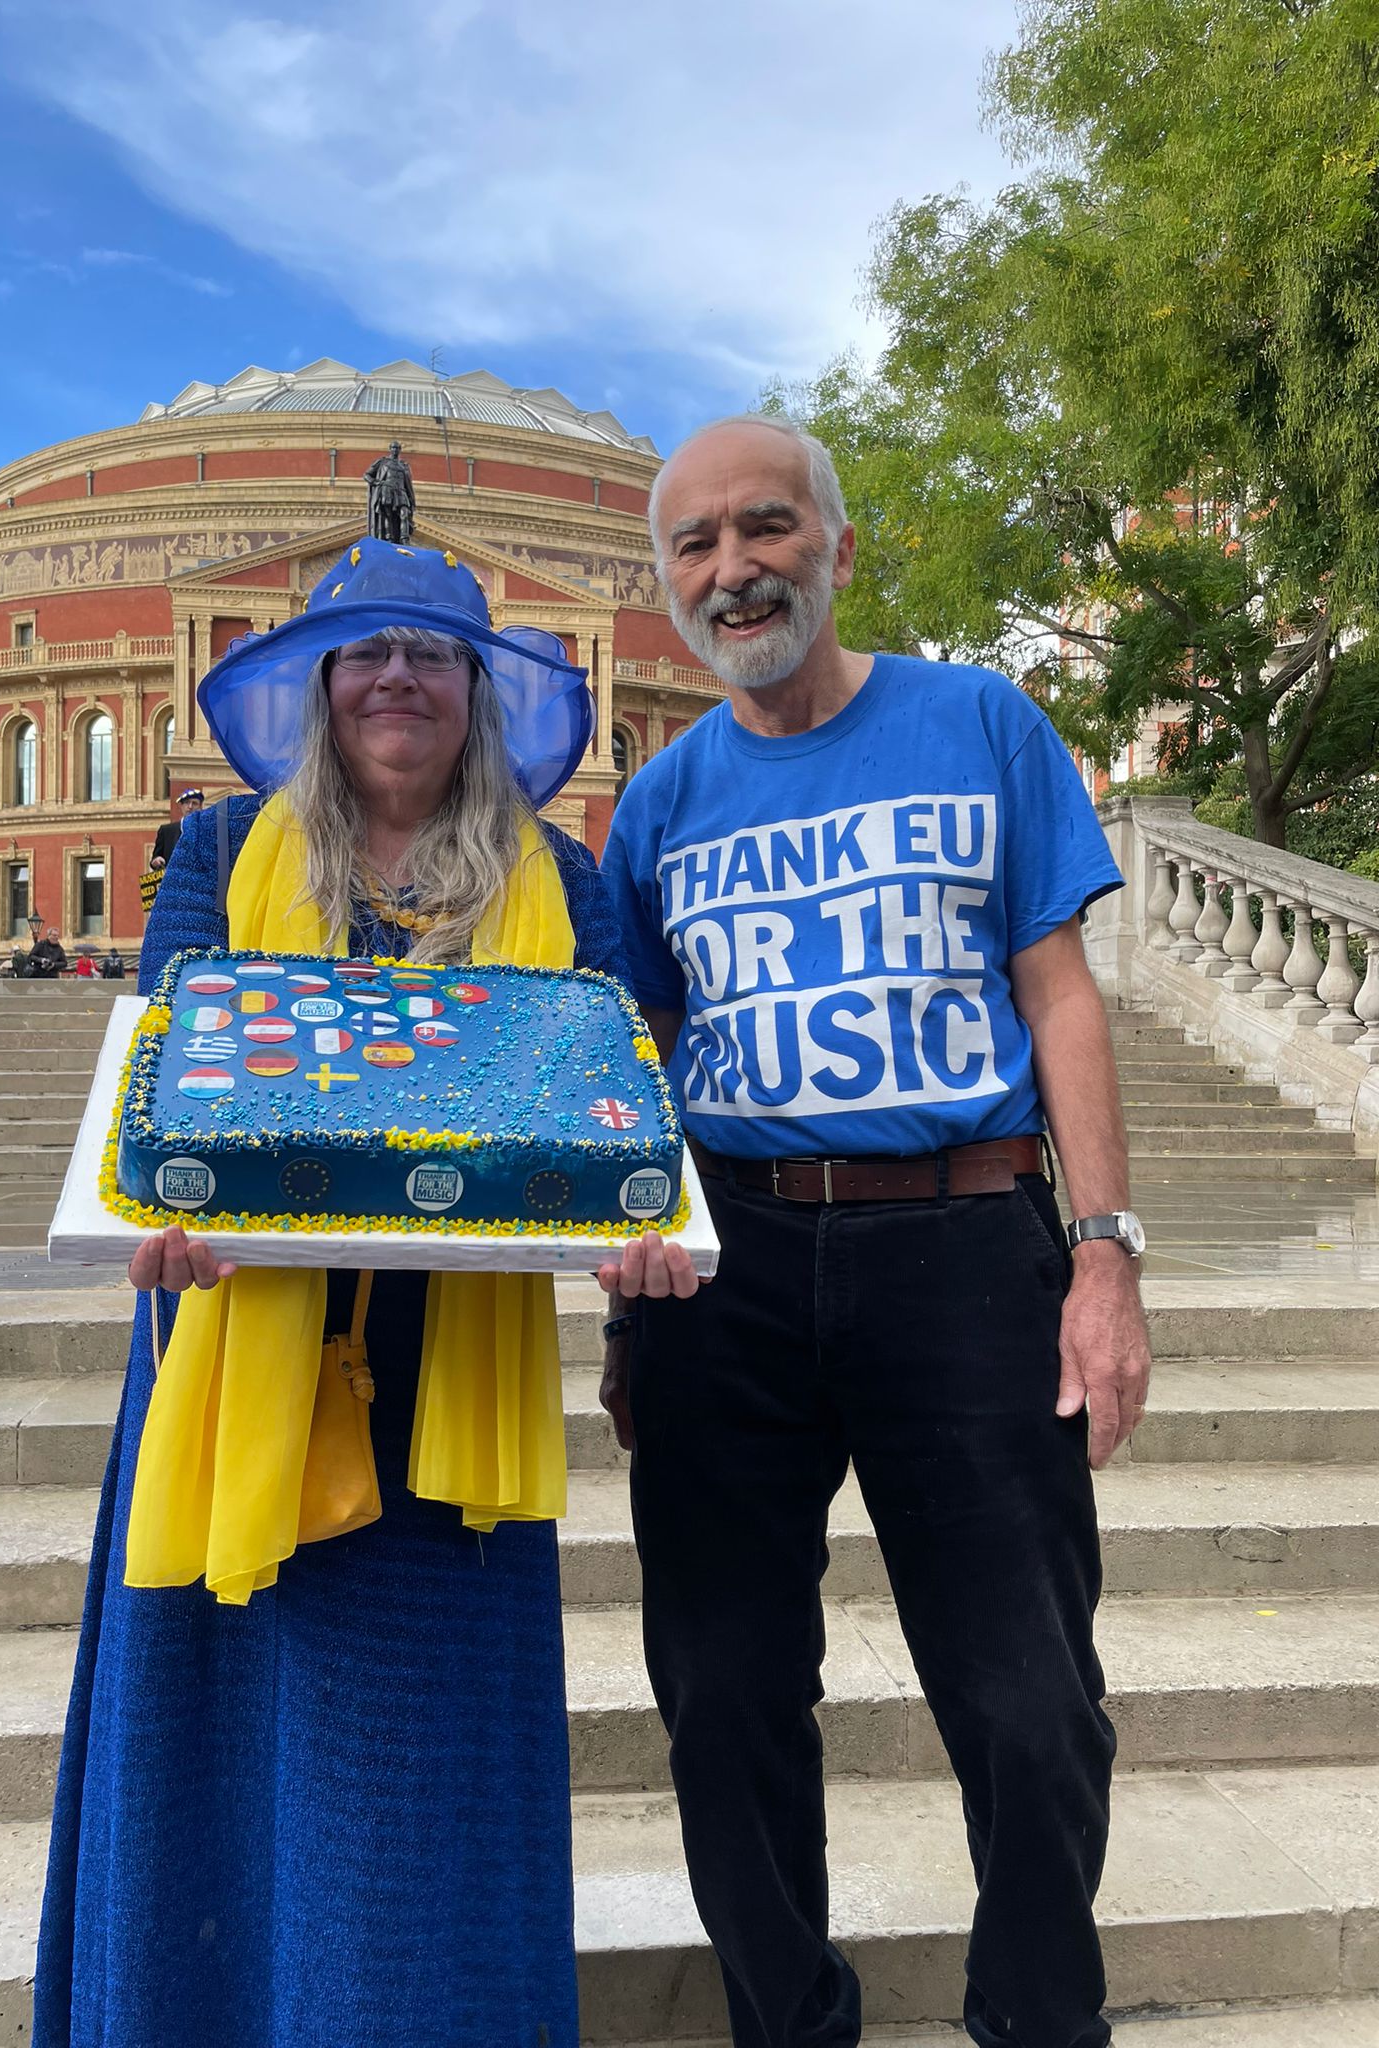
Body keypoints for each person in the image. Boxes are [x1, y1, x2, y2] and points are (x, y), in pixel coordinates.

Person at [596, 416, 1151, 2048]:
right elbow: (634, 1062)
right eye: (692, 545)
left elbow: (1060, 996)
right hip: (731, 1272)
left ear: (835, 544)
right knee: (722, 1702)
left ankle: (1038, 2021)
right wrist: (635, 1318)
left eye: (763, 528)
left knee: (1032, 1705)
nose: (732, 567)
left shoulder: (979, 722)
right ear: (665, 584)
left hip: (967, 1248)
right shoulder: (656, 806)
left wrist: (1103, 1251)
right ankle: (793, 2021)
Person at [34, 540, 611, 2048]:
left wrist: (647, 1227)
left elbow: (627, 1096)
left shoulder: (567, 886)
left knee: (425, 1767)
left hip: (452, 1383)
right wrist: (150, 1198)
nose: (398, 679)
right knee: (232, 1735)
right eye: (367, 652)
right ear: (322, 688)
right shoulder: (225, 854)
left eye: (431, 654)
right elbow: (166, 1054)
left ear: (481, 693)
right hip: (239, 1371)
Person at [149, 786, 204, 870]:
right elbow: (155, 858)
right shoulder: (166, 831)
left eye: (194, 803)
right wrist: (156, 861)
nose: (190, 806)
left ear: (200, 807)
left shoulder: (207, 831)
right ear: (181, 806)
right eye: (187, 803)